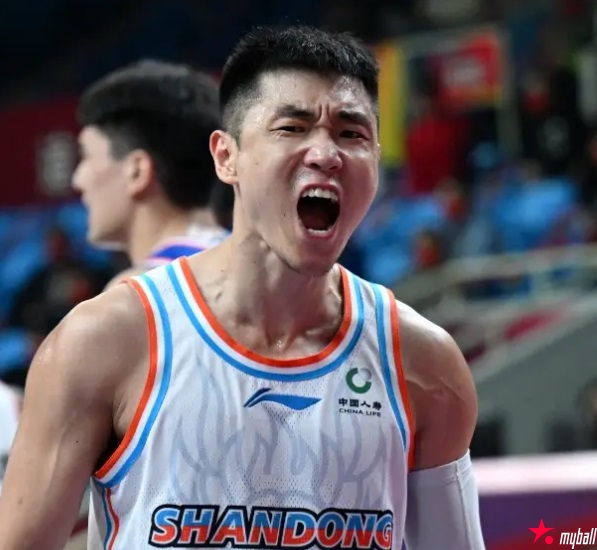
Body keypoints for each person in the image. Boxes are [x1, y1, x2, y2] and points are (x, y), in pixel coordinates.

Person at [0, 26, 485, 550]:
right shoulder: (103, 343)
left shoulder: (425, 365)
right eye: (292, 127)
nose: (326, 153)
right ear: (225, 157)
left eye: (352, 134)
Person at [72, 59, 229, 285]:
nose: (77, 180)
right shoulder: (261, 269)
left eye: (86, 156)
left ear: (137, 171)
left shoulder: (134, 294)